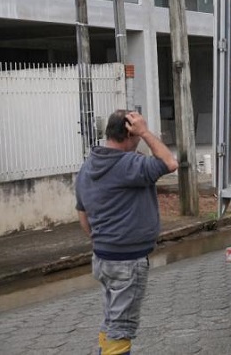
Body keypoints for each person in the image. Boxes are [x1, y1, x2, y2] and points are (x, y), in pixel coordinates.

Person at [75, 110, 178, 355]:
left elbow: (82, 215)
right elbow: (169, 163)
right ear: (130, 133)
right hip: (127, 263)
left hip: (102, 258)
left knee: (111, 320)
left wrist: (102, 240)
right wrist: (144, 131)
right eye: (139, 134)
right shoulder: (129, 165)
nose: (142, 139)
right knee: (121, 328)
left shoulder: (88, 165)